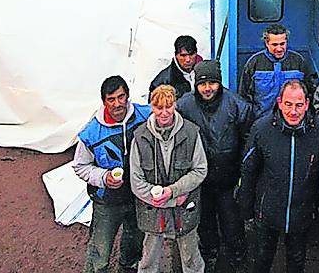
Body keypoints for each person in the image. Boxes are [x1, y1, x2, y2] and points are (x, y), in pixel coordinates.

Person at [237, 79, 319, 273]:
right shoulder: (262, 129)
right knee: (262, 259)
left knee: (296, 261)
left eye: (299, 105)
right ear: (280, 102)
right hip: (268, 211)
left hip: (302, 212)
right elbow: (248, 170)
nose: (293, 111)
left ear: (307, 104)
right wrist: (245, 207)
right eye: (288, 104)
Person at [177, 60, 253, 268]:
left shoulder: (238, 106)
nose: (207, 88)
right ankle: (209, 253)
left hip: (228, 179)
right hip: (198, 181)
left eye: (212, 82)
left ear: (219, 82)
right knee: (205, 222)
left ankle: (238, 256)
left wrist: (242, 175)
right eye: (202, 83)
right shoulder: (184, 106)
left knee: (232, 224)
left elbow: (248, 143)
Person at [73, 75, 152, 273]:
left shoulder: (145, 115)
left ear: (128, 96)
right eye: (111, 99)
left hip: (138, 197)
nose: (117, 104)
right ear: (103, 101)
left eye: (121, 96)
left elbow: (166, 115)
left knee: (134, 246)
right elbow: (80, 166)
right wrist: (103, 178)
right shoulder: (91, 133)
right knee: (100, 252)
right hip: (107, 201)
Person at [129, 84, 208, 273]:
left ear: (175, 105)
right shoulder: (140, 137)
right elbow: (136, 181)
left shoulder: (191, 133)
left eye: (168, 106)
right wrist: (169, 199)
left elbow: (200, 170)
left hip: (185, 209)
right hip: (153, 210)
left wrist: (171, 191)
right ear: (151, 107)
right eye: (158, 107)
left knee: (191, 259)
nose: (164, 113)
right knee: (148, 259)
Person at [238, 23, 319, 121]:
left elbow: (309, 93)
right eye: (274, 45)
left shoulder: (299, 61)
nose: (279, 48)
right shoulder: (254, 63)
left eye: (282, 44)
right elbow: (244, 97)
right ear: (266, 43)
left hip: (292, 119)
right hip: (262, 121)